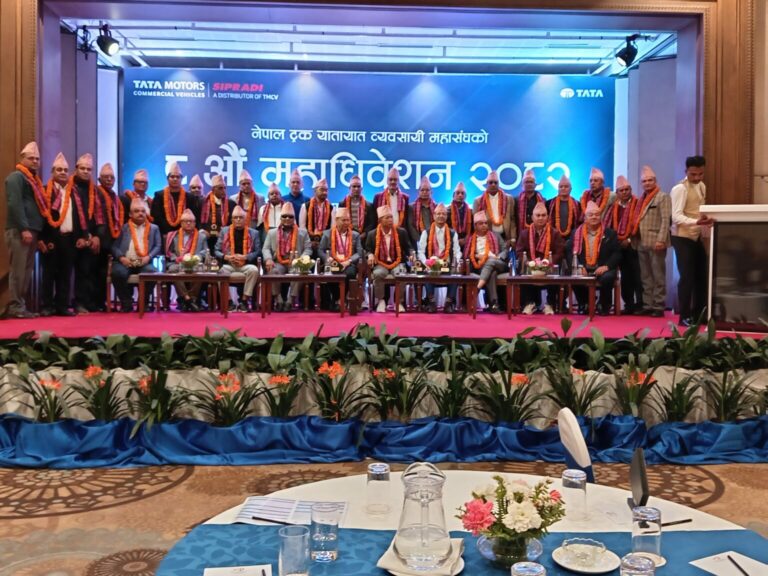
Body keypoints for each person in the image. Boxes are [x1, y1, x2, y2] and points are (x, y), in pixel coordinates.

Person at [3, 141, 45, 318]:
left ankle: (20, 305)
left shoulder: (33, 181)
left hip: (31, 231)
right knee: (18, 270)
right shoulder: (16, 177)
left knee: (27, 271)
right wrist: (24, 228)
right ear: (22, 159)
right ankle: (15, 306)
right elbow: (15, 204)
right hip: (20, 231)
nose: (35, 161)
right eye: (31, 158)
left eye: (37, 159)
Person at [670, 155, 713, 326]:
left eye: (700, 174)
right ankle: (684, 316)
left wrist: (706, 220)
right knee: (686, 277)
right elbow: (676, 216)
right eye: (693, 174)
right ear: (686, 171)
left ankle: (699, 314)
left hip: (696, 236)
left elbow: (699, 211)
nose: (697, 177)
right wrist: (696, 222)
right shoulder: (679, 189)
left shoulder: (702, 186)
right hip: (682, 237)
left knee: (702, 276)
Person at [566, 201, 621, 315]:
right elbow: (570, 253)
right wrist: (579, 266)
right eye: (590, 215)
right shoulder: (576, 233)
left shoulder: (610, 233)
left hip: (603, 267)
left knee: (607, 277)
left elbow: (617, 253)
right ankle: (585, 303)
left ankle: (603, 304)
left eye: (597, 214)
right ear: (585, 218)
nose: (594, 217)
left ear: (601, 217)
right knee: (574, 276)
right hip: (583, 267)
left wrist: (606, 266)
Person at [39, 153, 76, 316]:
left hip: (69, 238)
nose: (62, 172)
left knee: (65, 274)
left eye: (65, 170)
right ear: (52, 172)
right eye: (59, 170)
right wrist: (42, 238)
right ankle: (47, 306)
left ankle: (62, 305)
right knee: (49, 274)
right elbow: (40, 217)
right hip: (51, 239)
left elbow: (80, 216)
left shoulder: (73, 192)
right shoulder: (44, 191)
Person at [633, 165, 671, 318]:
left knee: (658, 275)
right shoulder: (641, 199)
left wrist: (661, 240)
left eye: (650, 180)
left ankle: (658, 305)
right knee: (645, 276)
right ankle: (647, 305)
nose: (647, 183)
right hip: (641, 241)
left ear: (655, 181)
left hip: (656, 242)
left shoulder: (662, 197)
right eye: (644, 181)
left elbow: (666, 220)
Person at [111, 198, 162, 312]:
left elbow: (158, 246)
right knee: (117, 273)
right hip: (125, 261)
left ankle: (143, 303)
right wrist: (121, 258)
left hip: (144, 262)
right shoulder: (123, 227)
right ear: (130, 214)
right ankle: (126, 303)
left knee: (151, 273)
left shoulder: (154, 228)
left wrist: (148, 257)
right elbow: (114, 246)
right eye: (137, 211)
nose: (140, 213)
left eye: (143, 211)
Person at [516, 202, 565, 315]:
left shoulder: (554, 233)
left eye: (543, 215)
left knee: (555, 271)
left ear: (547, 217)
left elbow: (559, 252)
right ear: (532, 217)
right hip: (530, 267)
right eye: (538, 215)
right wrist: (529, 263)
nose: (540, 218)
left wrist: (547, 262)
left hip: (548, 267)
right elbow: (519, 252)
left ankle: (550, 304)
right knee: (522, 269)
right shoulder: (524, 233)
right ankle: (529, 303)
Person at [262, 202, 312, 311]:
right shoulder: (272, 232)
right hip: (278, 262)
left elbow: (308, 249)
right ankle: (278, 300)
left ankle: (290, 300)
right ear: (280, 218)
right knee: (273, 271)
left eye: (290, 217)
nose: (287, 219)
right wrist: (268, 259)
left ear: (294, 218)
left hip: (296, 262)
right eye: (284, 216)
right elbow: (265, 248)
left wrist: (301, 259)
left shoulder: (303, 232)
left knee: (300, 271)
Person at [94, 162, 130, 311]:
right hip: (98, 240)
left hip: (112, 241)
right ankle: (95, 303)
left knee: (106, 272)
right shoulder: (95, 193)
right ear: (99, 179)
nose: (109, 180)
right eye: (106, 177)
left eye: (112, 178)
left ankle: (103, 302)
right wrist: (94, 236)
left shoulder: (116, 197)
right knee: (95, 272)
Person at [69, 153, 102, 314]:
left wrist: (96, 236)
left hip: (88, 237)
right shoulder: (68, 188)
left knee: (85, 272)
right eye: (82, 168)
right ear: (76, 169)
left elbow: (99, 217)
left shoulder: (95, 191)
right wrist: (79, 236)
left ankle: (82, 302)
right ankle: (61, 304)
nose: (85, 171)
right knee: (64, 273)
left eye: (89, 169)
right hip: (69, 237)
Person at [605, 175, 642, 314]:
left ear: (631, 190)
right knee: (625, 278)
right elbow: (608, 227)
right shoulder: (613, 207)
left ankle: (640, 305)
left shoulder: (638, 205)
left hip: (634, 246)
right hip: (618, 247)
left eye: (627, 189)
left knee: (637, 276)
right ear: (617, 193)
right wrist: (616, 242)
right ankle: (629, 305)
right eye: (621, 190)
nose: (625, 192)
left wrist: (629, 240)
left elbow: (640, 226)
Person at [365, 205, 412, 313]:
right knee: (378, 274)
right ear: (380, 220)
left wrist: (411, 254)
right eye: (387, 218)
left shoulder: (401, 232)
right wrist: (370, 255)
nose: (390, 220)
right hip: (380, 263)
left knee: (402, 274)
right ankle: (381, 301)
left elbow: (409, 247)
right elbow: (367, 249)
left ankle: (398, 302)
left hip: (398, 262)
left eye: (391, 217)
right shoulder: (372, 234)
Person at [215, 205, 261, 312]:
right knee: (219, 272)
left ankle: (244, 301)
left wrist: (246, 257)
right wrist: (226, 257)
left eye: (241, 217)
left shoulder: (254, 233)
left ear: (246, 219)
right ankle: (229, 302)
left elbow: (258, 251)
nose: (238, 220)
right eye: (236, 218)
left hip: (246, 264)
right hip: (229, 265)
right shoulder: (224, 231)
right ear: (232, 220)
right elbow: (216, 250)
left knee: (254, 270)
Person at [417, 203, 461, 313]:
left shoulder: (452, 233)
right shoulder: (426, 232)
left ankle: (449, 303)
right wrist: (426, 262)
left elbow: (457, 251)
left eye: (443, 214)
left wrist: (456, 262)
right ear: (434, 216)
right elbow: (421, 251)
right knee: (428, 271)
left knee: (455, 273)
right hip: (431, 264)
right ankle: (431, 302)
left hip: (447, 264)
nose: (441, 216)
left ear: (447, 216)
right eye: (438, 214)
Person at [318, 207, 362, 311]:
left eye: (348, 220)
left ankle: (341, 298)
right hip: (332, 262)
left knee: (350, 273)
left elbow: (359, 252)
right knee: (331, 274)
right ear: (336, 220)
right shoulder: (327, 234)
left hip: (348, 263)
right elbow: (320, 250)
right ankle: (337, 298)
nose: (346, 223)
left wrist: (348, 261)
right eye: (343, 220)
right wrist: (328, 259)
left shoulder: (355, 235)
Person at [165, 208, 209, 311]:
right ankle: (188, 299)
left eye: (191, 221)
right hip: (178, 263)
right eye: (186, 221)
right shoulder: (173, 235)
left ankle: (190, 299)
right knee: (173, 270)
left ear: (195, 223)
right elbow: (169, 252)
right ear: (181, 223)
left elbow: (205, 251)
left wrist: (195, 258)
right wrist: (176, 258)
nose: (188, 223)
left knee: (201, 270)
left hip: (194, 262)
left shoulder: (201, 236)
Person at [465, 211, 507, 314]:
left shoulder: (496, 235)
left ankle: (477, 288)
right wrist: (476, 256)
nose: (484, 225)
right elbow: (467, 255)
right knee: (492, 273)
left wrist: (498, 257)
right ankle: (494, 304)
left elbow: (505, 250)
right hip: (481, 266)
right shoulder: (471, 239)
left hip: (499, 263)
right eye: (481, 223)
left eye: (485, 223)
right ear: (475, 226)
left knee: (491, 260)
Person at [150, 161, 200, 238]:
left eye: (178, 177)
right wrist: (169, 233)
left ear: (181, 179)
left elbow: (194, 217)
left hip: (185, 234)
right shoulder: (159, 195)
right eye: (172, 177)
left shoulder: (190, 197)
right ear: (167, 179)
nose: (175, 179)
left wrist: (182, 232)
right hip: (164, 234)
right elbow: (156, 217)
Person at [472, 171, 516, 249]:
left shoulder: (508, 199)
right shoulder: (478, 201)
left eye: (495, 182)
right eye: (491, 182)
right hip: (487, 238)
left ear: (499, 184)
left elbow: (512, 219)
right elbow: (475, 224)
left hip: (506, 237)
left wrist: (513, 238)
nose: (493, 184)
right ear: (486, 184)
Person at [200, 174, 235, 254]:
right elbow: (198, 218)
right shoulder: (202, 202)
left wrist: (224, 232)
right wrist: (202, 230)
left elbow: (232, 222)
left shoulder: (231, 203)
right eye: (220, 188)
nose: (223, 191)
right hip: (206, 238)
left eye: (224, 188)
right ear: (213, 189)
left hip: (223, 239)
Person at [339, 175, 375, 240]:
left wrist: (365, 234)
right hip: (347, 237)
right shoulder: (342, 204)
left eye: (358, 186)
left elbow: (372, 223)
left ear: (361, 188)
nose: (356, 189)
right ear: (349, 188)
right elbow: (340, 222)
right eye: (354, 186)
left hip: (364, 238)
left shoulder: (369, 205)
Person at [547, 175, 581, 244]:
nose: (563, 188)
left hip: (572, 240)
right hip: (553, 240)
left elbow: (579, 223)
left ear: (571, 189)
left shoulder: (578, 205)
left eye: (566, 186)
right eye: (561, 186)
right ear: (558, 189)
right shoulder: (549, 204)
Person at [516, 169, 544, 240]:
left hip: (538, 235)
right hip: (521, 235)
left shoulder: (542, 200)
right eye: (526, 182)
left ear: (535, 185)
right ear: (522, 185)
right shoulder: (516, 200)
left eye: (531, 182)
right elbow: (514, 219)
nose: (529, 184)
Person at [407, 177, 436, 249]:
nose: (425, 192)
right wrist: (420, 240)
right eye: (422, 190)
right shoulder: (411, 207)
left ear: (431, 192)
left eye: (427, 190)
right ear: (418, 192)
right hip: (417, 242)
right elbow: (410, 226)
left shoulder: (436, 207)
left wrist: (432, 240)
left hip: (434, 241)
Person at [447, 181, 473, 250]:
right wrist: (456, 240)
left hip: (467, 243)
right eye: (457, 193)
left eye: (462, 193)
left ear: (465, 196)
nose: (460, 195)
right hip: (451, 243)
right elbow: (445, 229)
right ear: (453, 195)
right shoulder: (447, 211)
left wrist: (466, 239)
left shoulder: (470, 212)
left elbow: (472, 230)